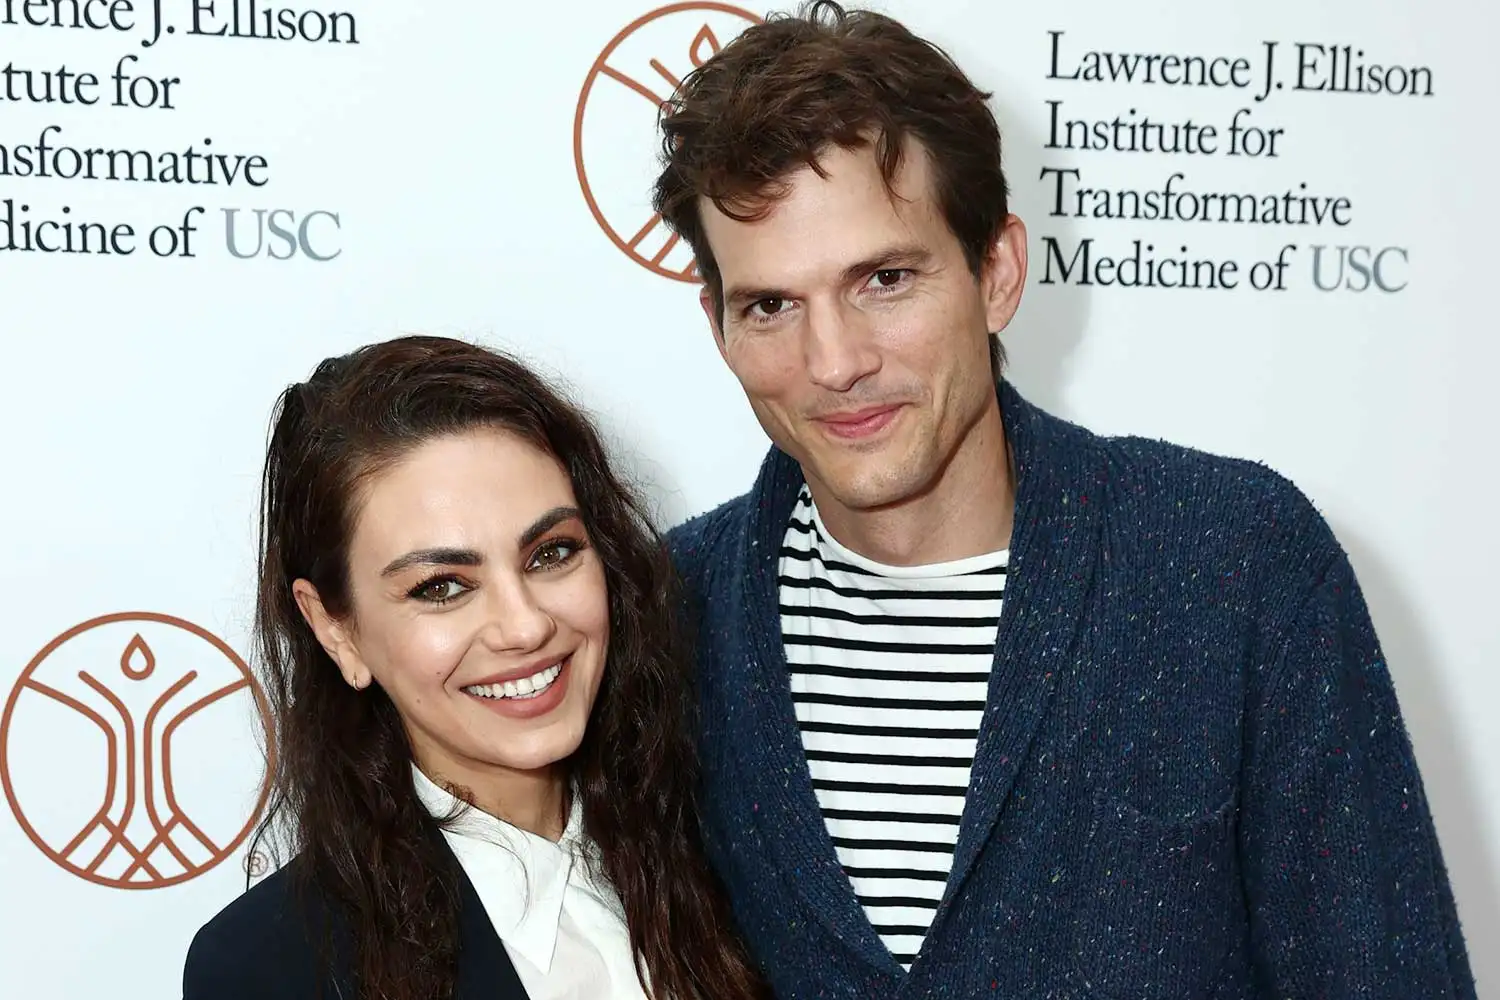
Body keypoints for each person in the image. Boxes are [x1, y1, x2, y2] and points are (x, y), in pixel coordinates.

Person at [651, 3, 1477, 998]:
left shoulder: (1234, 561)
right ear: (717, 324)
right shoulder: (668, 612)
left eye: (885, 279)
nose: (835, 363)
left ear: (996, 272)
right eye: (772, 305)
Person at [181, 336, 767, 1000]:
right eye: (441, 587)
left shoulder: (735, 851)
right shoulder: (275, 968)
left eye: (551, 553)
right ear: (334, 629)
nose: (526, 625)